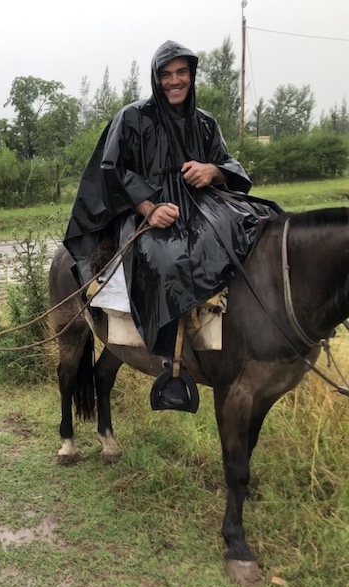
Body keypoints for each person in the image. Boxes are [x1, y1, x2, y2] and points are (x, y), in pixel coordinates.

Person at [63, 40, 280, 407]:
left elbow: (228, 165)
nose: (174, 81)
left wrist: (212, 171)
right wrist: (148, 208)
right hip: (149, 211)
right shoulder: (132, 118)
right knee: (164, 258)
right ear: (156, 78)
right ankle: (171, 364)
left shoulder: (205, 122)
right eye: (166, 74)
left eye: (182, 73)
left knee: (263, 220)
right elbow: (112, 171)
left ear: (192, 76)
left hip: (203, 205)